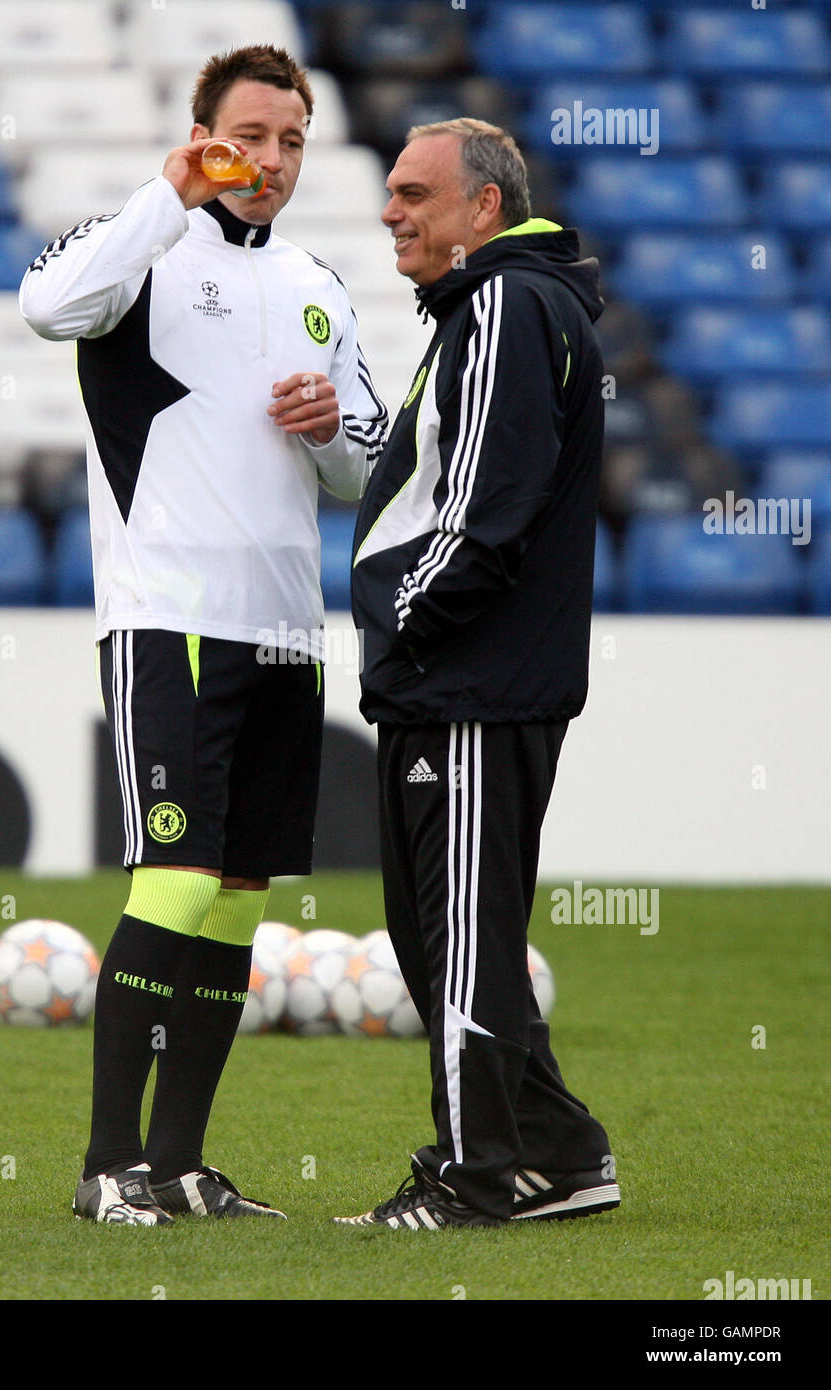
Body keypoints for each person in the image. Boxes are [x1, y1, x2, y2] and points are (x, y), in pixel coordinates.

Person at [20, 45, 387, 1226]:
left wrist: (334, 427)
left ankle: (177, 1165)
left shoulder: (320, 281)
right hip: (168, 621)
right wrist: (166, 193)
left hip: (283, 634)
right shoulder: (139, 254)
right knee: (173, 880)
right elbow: (44, 305)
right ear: (202, 134)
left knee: (235, 902)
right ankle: (102, 1167)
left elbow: (366, 461)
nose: (269, 160)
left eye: (289, 139)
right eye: (247, 136)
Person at [339, 118, 619, 1229]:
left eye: (413, 193)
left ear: (482, 210)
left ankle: (477, 1175)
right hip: (466, 683)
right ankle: (558, 1151)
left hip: (468, 683)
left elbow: (483, 512)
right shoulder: (495, 305)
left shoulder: (502, 303)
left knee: (454, 936)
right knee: (454, 934)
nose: (389, 210)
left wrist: (403, 623)